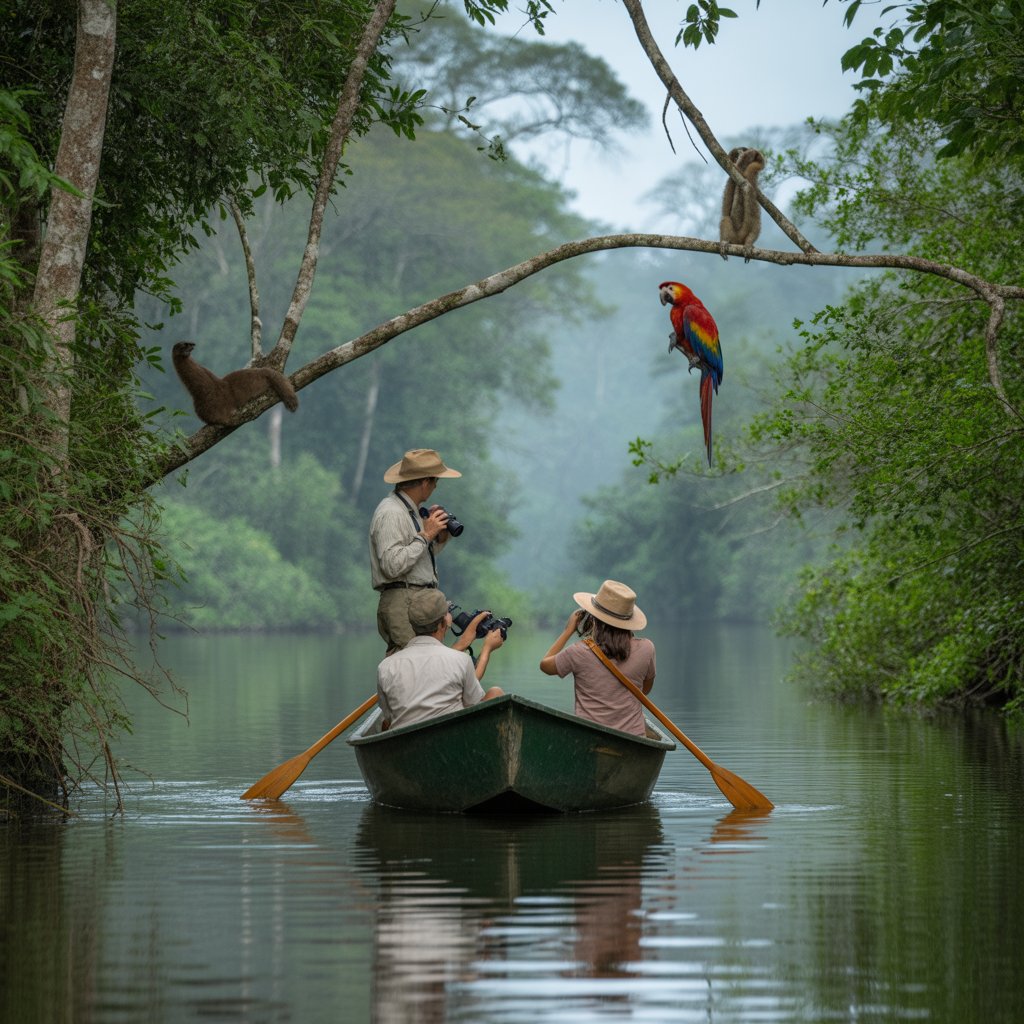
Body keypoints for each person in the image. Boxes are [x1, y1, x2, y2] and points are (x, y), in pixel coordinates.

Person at [369, 448, 461, 654]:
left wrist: (439, 537)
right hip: (403, 601)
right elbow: (393, 566)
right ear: (425, 482)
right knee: (411, 664)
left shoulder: (412, 511)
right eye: (436, 481)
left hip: (417, 599)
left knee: (420, 667)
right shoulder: (391, 512)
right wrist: (426, 535)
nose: (436, 486)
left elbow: (415, 560)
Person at [376, 588, 505, 731]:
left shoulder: (386, 666)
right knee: (495, 693)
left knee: (384, 725)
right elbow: (473, 702)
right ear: (443, 623)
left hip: (404, 741)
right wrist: (486, 649)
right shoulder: (460, 660)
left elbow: (388, 718)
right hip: (451, 736)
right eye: (448, 613)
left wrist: (463, 643)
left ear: (412, 624)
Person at [539, 579, 655, 737]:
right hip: (633, 738)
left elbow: (545, 666)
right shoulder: (647, 648)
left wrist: (568, 631)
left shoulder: (578, 651)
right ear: (629, 621)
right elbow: (644, 690)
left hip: (589, 737)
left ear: (594, 618)